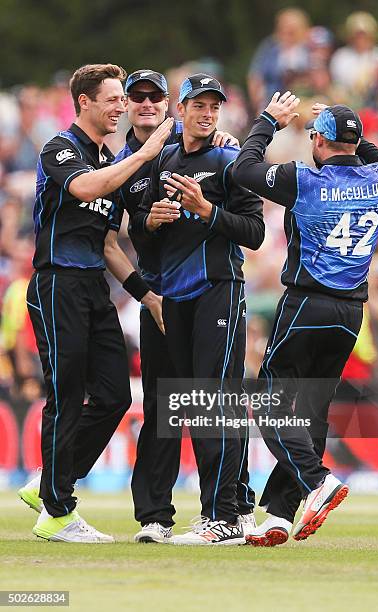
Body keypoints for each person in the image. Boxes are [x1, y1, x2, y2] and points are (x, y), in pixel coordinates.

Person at [233, 93, 378, 545]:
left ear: (319, 140)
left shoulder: (304, 178)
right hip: (351, 313)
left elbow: (242, 169)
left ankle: (316, 481)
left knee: (269, 399)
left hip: (308, 301)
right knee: (310, 412)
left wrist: (268, 121)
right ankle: (279, 516)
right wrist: (349, 133)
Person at [18, 63, 174, 543]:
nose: (121, 107)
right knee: (65, 394)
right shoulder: (60, 148)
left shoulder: (107, 156)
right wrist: (145, 153)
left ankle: (50, 483)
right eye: (113, 99)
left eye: (121, 100)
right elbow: (87, 187)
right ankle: (58, 511)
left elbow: (109, 245)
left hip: (93, 288)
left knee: (114, 396)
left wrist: (147, 296)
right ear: (83, 102)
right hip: (56, 283)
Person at [106, 68, 250, 544]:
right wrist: (152, 219)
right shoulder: (136, 159)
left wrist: (204, 206)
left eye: (214, 106)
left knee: (213, 399)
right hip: (160, 296)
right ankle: (157, 516)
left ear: (168, 104)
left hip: (210, 288)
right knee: (167, 406)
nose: (146, 102)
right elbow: (136, 226)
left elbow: (255, 230)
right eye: (137, 96)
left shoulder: (226, 156)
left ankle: (230, 511)